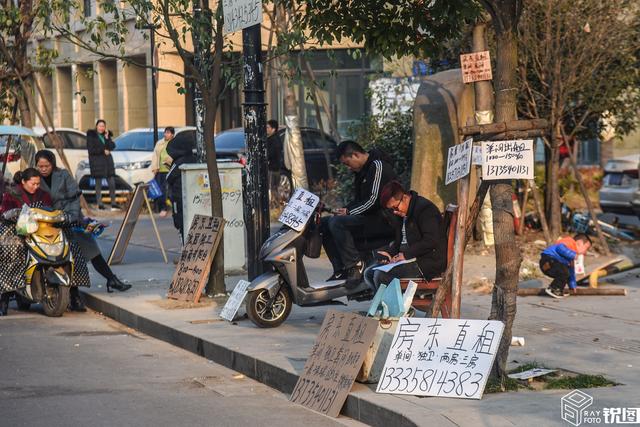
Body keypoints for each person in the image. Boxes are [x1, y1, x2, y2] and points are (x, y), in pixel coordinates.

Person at [35, 150, 131, 302]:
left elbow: (75, 197)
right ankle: (74, 295)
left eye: (46, 165)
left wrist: (71, 216)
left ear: (52, 164)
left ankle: (111, 278)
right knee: (67, 258)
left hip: (70, 220)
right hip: (47, 225)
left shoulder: (63, 175)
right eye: (40, 166)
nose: (43, 169)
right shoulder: (35, 179)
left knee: (90, 248)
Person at [321, 141, 397, 288]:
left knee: (337, 223)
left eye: (348, 163)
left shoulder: (378, 166)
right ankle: (340, 269)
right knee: (325, 223)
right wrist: (345, 210)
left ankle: (356, 266)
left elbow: (374, 200)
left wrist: (349, 212)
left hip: (384, 219)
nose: (348, 168)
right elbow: (359, 200)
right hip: (369, 217)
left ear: (355, 155)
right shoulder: (361, 171)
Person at [364, 181, 447, 290]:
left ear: (405, 198)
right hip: (410, 258)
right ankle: (390, 305)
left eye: (395, 207)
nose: (394, 212)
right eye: (391, 209)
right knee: (369, 273)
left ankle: (393, 306)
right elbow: (400, 241)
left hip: (426, 262)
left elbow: (431, 240)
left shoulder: (425, 209)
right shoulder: (403, 213)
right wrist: (389, 253)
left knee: (381, 276)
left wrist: (405, 255)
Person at [0, 168, 53, 315]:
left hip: (39, 232)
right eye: (33, 183)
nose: (36, 186)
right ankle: (4, 299)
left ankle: (72, 295)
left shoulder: (44, 195)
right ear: (23, 182)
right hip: (15, 232)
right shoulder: (11, 194)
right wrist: (17, 213)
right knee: (11, 253)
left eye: (38, 184)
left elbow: (50, 210)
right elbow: (4, 214)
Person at [540, 233, 592, 299]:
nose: (585, 252)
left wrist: (572, 285)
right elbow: (560, 248)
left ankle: (558, 290)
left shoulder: (571, 259)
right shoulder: (570, 242)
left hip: (551, 267)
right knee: (564, 271)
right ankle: (554, 289)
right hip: (548, 260)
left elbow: (571, 272)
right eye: (586, 248)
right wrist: (572, 254)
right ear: (579, 243)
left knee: (566, 272)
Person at [166, 128, 195, 241]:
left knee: (180, 223)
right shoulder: (193, 159)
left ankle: (184, 249)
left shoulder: (179, 162)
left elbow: (169, 177)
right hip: (191, 196)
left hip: (178, 197)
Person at [87, 119, 118, 210]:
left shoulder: (105, 136)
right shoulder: (91, 136)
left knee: (111, 182)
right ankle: (100, 203)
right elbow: (91, 150)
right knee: (98, 184)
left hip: (107, 162)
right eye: (100, 126)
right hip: (97, 162)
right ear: (96, 126)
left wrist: (107, 137)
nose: (101, 128)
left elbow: (112, 146)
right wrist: (102, 151)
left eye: (103, 126)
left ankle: (113, 203)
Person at [151, 127, 174, 217]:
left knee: (168, 190)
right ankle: (161, 207)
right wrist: (155, 167)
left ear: (172, 134)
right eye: (165, 132)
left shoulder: (173, 143)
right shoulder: (160, 143)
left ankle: (167, 208)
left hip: (170, 170)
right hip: (160, 170)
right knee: (159, 190)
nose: (166, 134)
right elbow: (155, 156)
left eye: (168, 133)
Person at [266, 119, 283, 203]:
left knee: (272, 188)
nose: (266, 129)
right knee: (274, 188)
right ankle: (277, 204)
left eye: (268, 127)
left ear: (273, 129)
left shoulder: (273, 140)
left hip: (272, 168)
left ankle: (275, 204)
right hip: (276, 168)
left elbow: (270, 154)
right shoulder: (276, 138)